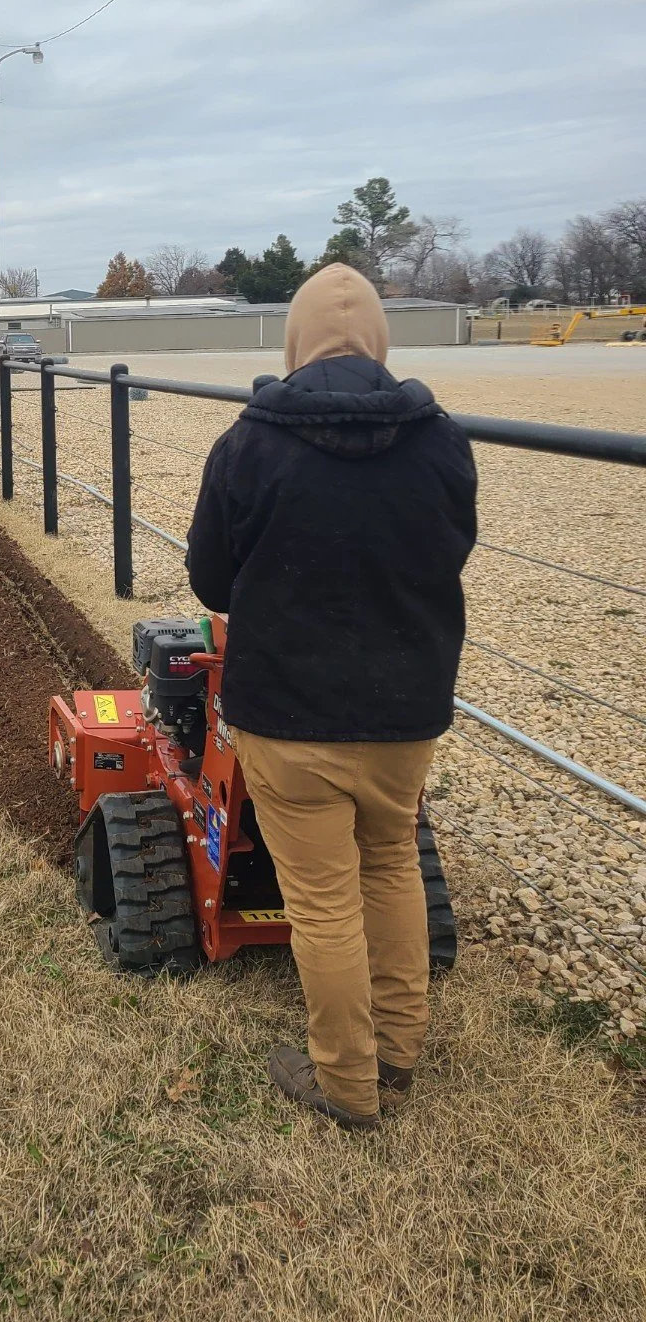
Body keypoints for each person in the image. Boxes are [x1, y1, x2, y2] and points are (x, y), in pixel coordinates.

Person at [186, 264, 477, 1130]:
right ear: (382, 340)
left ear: (295, 341)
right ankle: (399, 1050)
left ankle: (344, 1084)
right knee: (388, 864)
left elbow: (210, 577)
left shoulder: (249, 442)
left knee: (320, 898)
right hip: (406, 711)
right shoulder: (443, 441)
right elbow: (450, 553)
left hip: (287, 710)